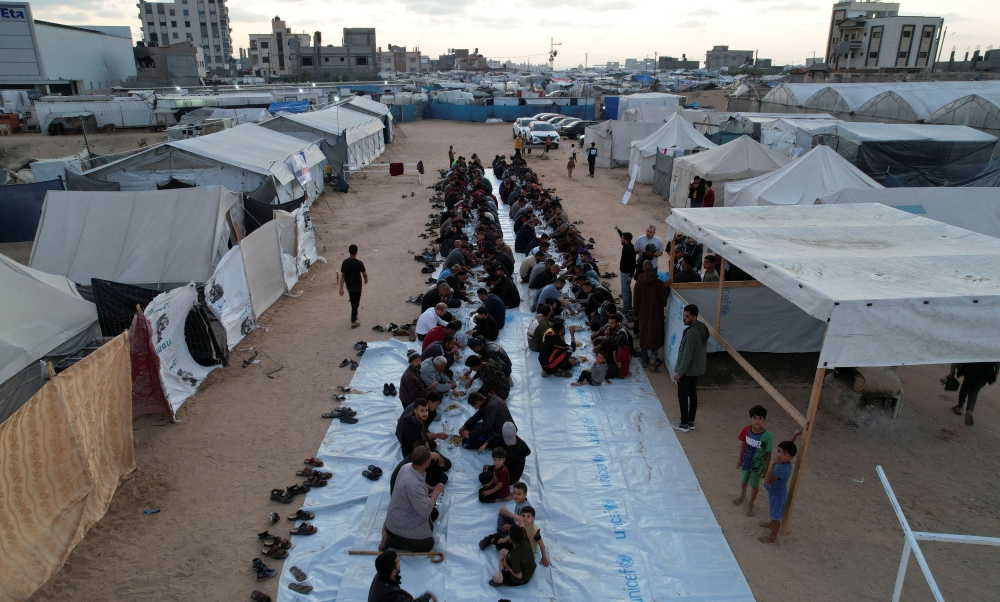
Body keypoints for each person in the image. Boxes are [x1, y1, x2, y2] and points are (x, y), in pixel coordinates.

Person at [380, 446, 443, 553]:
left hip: (401, 511)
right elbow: (426, 509)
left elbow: (421, 484)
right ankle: (389, 540)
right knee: (428, 544)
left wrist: (431, 488)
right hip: (401, 521)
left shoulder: (407, 466)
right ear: (426, 462)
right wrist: (436, 491)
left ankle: (391, 530)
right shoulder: (412, 484)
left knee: (434, 514)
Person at [759, 430, 803, 544]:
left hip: (777, 495)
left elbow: (768, 479)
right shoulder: (785, 461)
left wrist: (772, 465)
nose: (779, 455)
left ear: (790, 457)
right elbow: (788, 445)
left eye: (783, 453)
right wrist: (795, 434)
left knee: (776, 517)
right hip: (774, 492)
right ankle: (770, 524)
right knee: (773, 512)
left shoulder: (782, 469)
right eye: (778, 451)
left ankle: (772, 537)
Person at [673, 304, 709, 432]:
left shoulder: (691, 333)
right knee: (693, 395)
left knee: (683, 397)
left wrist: (679, 373)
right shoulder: (701, 328)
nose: (684, 318)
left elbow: (687, 355)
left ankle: (684, 424)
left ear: (694, 317)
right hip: (696, 369)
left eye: (687, 316)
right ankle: (691, 421)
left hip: (687, 371)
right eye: (683, 315)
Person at [733, 405, 772, 517]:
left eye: (760, 418)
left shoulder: (767, 436)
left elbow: (768, 453)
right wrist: (740, 459)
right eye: (755, 418)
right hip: (746, 462)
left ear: (764, 419)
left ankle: (751, 503)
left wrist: (766, 468)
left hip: (758, 465)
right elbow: (743, 444)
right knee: (744, 479)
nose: (757, 421)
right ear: (751, 418)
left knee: (754, 484)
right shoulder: (746, 430)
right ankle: (742, 495)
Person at [632, 260, 668, 371]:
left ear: (643, 269)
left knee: (644, 335)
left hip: (643, 314)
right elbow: (664, 300)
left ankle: (644, 360)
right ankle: (653, 358)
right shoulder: (659, 284)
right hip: (655, 314)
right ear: (652, 269)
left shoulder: (638, 283)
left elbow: (636, 301)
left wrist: (636, 314)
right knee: (655, 335)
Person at [367, 550, 437, 602]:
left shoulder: (380, 575)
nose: (399, 561)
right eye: (397, 562)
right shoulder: (392, 596)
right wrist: (425, 597)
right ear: (393, 572)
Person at [479, 480, 530, 549]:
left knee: (501, 545)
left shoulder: (525, 510)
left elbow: (523, 527)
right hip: (515, 521)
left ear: (525, 494)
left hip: (519, 528)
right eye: (514, 493)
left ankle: (494, 537)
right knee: (502, 513)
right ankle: (500, 531)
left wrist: (510, 527)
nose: (515, 496)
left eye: (519, 494)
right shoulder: (521, 501)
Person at [339, 244, 368, 328]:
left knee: (353, 301)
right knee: (356, 303)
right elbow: (364, 273)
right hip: (358, 286)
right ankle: (353, 322)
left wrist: (341, 287)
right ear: (356, 252)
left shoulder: (345, 262)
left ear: (349, 251)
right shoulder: (359, 263)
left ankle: (355, 315)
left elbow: (343, 276)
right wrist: (366, 280)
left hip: (349, 285)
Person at [614, 226, 636, 313]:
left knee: (625, 292)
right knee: (627, 290)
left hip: (626, 273)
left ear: (626, 240)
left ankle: (625, 309)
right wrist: (619, 230)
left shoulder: (630, 249)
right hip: (626, 273)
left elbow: (633, 264)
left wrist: (630, 276)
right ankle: (629, 306)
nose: (621, 239)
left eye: (622, 238)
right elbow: (622, 235)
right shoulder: (627, 245)